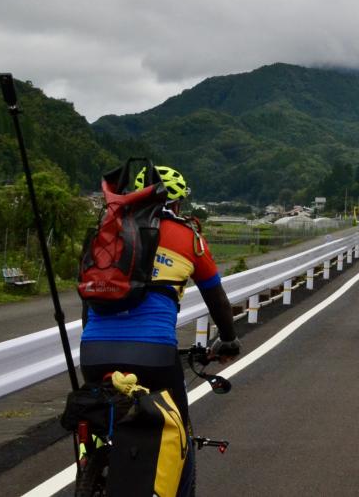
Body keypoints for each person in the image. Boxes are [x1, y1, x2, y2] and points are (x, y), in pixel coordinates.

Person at [79, 164, 241, 491]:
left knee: (98, 420)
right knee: (179, 428)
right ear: (177, 203)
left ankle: (90, 469)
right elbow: (217, 300)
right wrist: (229, 340)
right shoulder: (187, 236)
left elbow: (89, 300)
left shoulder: (106, 232)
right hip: (152, 354)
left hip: (94, 351)